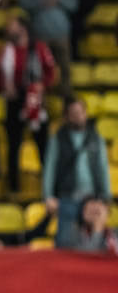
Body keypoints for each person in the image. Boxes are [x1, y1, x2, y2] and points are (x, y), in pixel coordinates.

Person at [0, 16, 56, 192]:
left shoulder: (39, 48)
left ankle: (50, 187)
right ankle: (13, 188)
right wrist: (3, 89)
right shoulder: (4, 50)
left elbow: (51, 71)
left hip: (35, 99)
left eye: (12, 25)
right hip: (14, 101)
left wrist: (43, 86)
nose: (7, 28)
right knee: (13, 145)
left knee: (42, 145)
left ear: (23, 27)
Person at [43, 98, 111, 248]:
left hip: (91, 198)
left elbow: (103, 168)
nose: (78, 116)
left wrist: (106, 197)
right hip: (67, 197)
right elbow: (50, 168)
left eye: (80, 112)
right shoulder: (58, 138)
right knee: (65, 244)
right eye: (73, 113)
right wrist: (48, 196)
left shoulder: (95, 138)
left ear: (86, 113)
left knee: (96, 244)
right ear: (66, 116)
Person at [19, 0, 77, 98]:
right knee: (40, 71)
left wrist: (59, 0)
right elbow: (23, 2)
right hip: (40, 33)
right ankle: (40, 103)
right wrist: (41, 2)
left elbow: (74, 4)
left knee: (65, 71)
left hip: (61, 33)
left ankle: (67, 102)